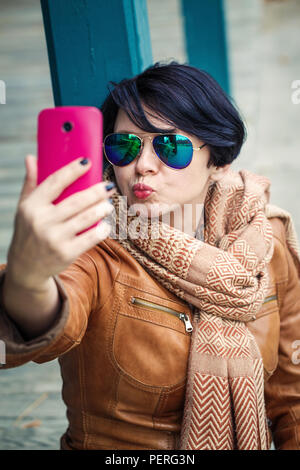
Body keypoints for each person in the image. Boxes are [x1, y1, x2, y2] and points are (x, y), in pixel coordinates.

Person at [0, 61, 300, 451]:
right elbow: (40, 326)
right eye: (124, 146)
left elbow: (291, 393)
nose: (142, 165)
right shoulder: (95, 250)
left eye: (169, 146)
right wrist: (28, 278)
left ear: (219, 160)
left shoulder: (264, 241)